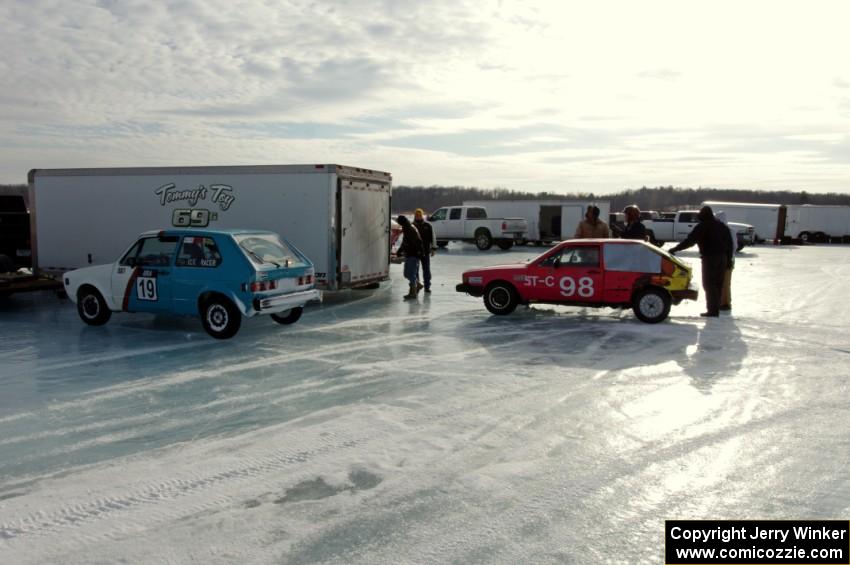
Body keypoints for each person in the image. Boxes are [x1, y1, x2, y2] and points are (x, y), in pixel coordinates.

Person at [668, 205, 734, 317]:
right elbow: (730, 244)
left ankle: (712, 310)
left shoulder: (702, 226)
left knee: (709, 284)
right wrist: (728, 260)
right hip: (723, 258)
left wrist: (675, 249)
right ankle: (715, 308)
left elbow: (690, 241)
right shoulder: (722, 226)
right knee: (718, 284)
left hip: (710, 258)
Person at [396, 215, 424, 300]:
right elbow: (405, 241)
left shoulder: (410, 229)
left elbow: (417, 242)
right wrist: (400, 251)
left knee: (411, 274)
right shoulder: (406, 227)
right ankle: (418, 285)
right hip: (409, 254)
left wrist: (419, 253)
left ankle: (413, 293)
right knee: (406, 274)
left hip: (414, 254)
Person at [715, 211, 736, 311]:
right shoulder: (718, 230)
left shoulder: (729, 231)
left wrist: (729, 259)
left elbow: (733, 246)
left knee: (725, 282)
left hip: (727, 260)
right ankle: (722, 301)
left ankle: (725, 304)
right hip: (721, 260)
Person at [413, 208, 436, 293]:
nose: (418, 216)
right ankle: (417, 286)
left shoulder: (428, 226)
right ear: (415, 216)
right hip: (415, 252)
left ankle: (427, 286)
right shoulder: (412, 226)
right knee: (415, 271)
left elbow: (433, 238)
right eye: (417, 215)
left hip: (425, 252)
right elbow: (407, 239)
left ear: (422, 215)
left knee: (426, 270)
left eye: (420, 215)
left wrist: (433, 248)